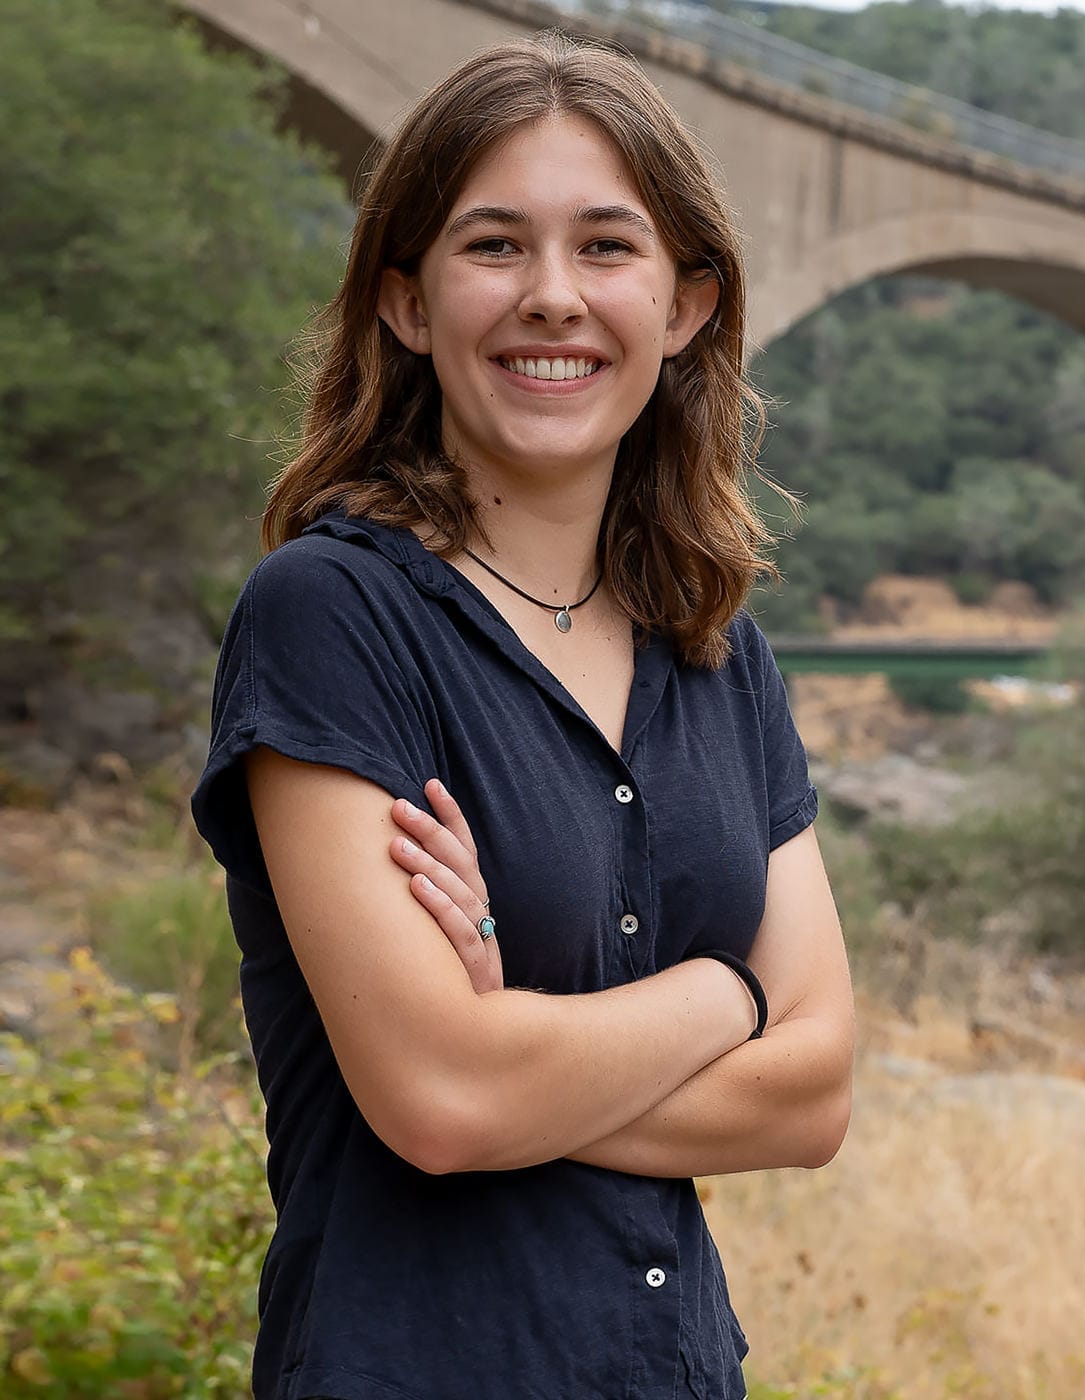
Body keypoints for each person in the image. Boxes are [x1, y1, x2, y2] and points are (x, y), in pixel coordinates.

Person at [192, 30, 855, 1400]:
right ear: (406, 302)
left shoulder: (724, 658)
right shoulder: (331, 617)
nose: (553, 297)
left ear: (684, 306)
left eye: (607, 248)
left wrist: (527, 1052)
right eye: (494, 246)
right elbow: (443, 1104)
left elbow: (816, 1096)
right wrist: (727, 996)